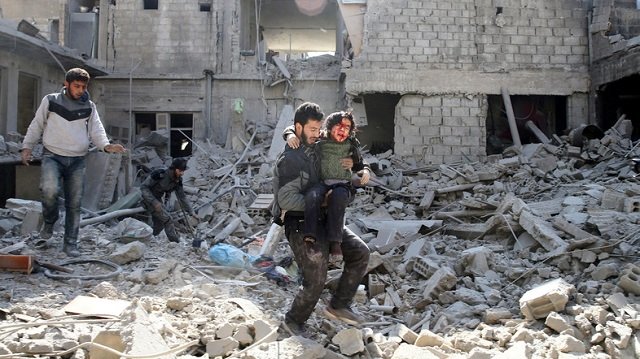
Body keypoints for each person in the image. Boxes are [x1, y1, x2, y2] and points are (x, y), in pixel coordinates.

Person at [273, 102, 370, 335]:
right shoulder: (290, 160)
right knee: (316, 277)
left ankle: (339, 304)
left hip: (325, 219)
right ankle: (292, 322)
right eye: (313, 131)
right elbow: (286, 199)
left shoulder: (317, 147)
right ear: (299, 128)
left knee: (360, 252)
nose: (318, 135)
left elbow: (347, 164)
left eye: (319, 130)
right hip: (299, 223)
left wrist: (360, 171)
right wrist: (325, 201)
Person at [21, 68, 126, 257]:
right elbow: (37, 124)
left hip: (77, 160)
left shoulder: (89, 106)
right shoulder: (50, 101)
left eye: (83, 87)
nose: (80, 90)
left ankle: (70, 243)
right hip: (52, 155)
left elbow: (97, 130)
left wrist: (106, 146)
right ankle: (50, 222)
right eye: (76, 86)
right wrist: (27, 147)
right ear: (66, 84)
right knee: (49, 191)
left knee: (74, 203)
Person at [302, 111, 370, 258]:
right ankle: (309, 239)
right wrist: (290, 136)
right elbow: (298, 133)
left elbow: (361, 163)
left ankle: (335, 242)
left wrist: (365, 171)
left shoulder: (351, 143)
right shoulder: (320, 139)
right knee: (312, 196)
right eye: (339, 126)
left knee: (338, 197)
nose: (342, 130)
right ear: (330, 127)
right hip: (322, 182)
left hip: (342, 184)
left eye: (347, 127)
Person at [140, 157, 195, 243]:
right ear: (174, 169)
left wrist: (191, 212)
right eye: (180, 171)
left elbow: (182, 197)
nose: (182, 173)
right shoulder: (159, 174)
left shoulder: (177, 180)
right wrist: (154, 202)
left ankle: (148, 238)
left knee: (159, 224)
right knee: (168, 219)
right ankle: (175, 242)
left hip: (158, 199)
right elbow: (143, 187)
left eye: (183, 171)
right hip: (148, 198)